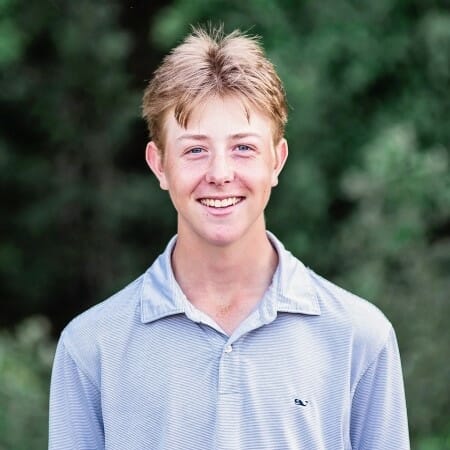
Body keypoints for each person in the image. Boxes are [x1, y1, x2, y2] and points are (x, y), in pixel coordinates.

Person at [49, 27, 410, 449]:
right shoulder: (91, 347)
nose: (220, 174)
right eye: (195, 150)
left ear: (277, 161)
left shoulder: (360, 336)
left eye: (243, 148)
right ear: (159, 164)